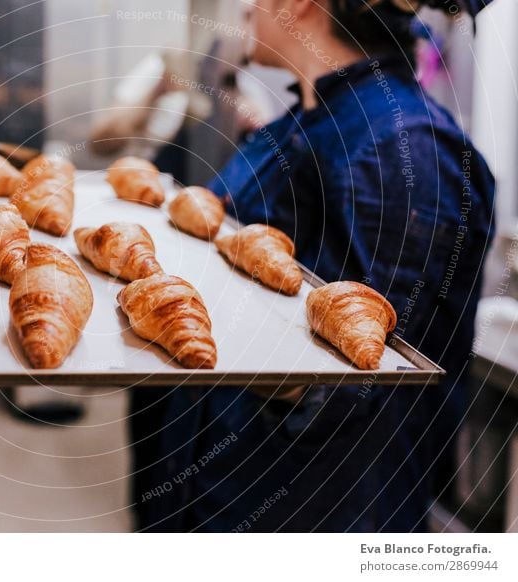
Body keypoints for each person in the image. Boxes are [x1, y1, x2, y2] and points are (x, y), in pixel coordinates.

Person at [133, 0, 496, 532]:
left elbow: (356, 385)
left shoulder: (402, 150)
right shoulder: (305, 122)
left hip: (303, 511)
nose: (247, 7)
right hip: (211, 478)